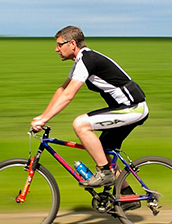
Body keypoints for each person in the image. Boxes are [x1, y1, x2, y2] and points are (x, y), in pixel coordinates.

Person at [31, 26, 149, 189]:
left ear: (72, 44)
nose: (56, 49)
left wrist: (44, 119)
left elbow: (69, 95)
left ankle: (105, 173)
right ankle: (127, 195)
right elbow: (62, 90)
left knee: (80, 124)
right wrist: (41, 117)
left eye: (59, 45)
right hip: (127, 109)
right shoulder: (81, 60)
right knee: (102, 152)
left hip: (133, 108)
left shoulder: (87, 60)